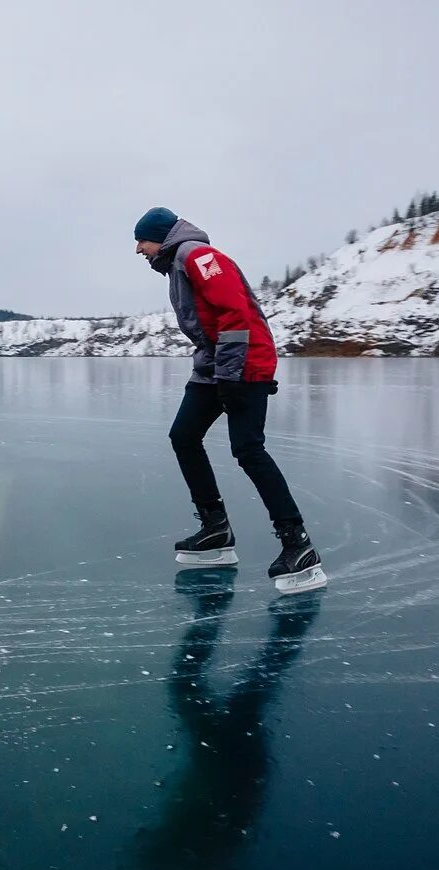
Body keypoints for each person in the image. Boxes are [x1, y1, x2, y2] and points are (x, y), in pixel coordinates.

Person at [133, 206, 325, 593]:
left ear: (160, 237)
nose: (139, 249)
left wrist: (232, 377)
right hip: (215, 363)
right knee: (184, 436)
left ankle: (298, 544)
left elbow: (234, 314)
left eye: (142, 240)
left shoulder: (199, 257)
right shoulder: (178, 264)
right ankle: (216, 529)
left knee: (249, 449)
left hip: (245, 364)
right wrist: (218, 369)